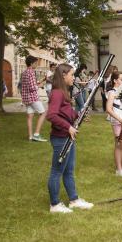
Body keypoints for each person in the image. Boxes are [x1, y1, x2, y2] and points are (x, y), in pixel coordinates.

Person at [46, 63, 94, 213]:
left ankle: (73, 200)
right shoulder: (57, 93)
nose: (74, 77)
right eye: (72, 75)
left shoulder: (63, 92)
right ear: (63, 75)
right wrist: (68, 127)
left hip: (68, 137)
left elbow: (66, 113)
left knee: (69, 171)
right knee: (56, 171)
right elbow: (51, 115)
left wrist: (79, 116)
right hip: (61, 138)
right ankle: (54, 204)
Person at [105, 71, 122, 177]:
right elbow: (108, 109)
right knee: (119, 145)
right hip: (118, 121)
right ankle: (119, 169)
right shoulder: (112, 92)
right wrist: (120, 120)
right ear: (115, 81)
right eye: (121, 79)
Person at [21, 56, 48, 142]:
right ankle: (36, 134)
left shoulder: (25, 72)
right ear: (31, 63)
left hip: (26, 98)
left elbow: (29, 84)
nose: (37, 64)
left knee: (30, 116)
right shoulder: (31, 72)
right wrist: (41, 85)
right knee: (43, 113)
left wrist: (41, 81)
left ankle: (30, 137)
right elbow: (32, 88)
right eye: (36, 63)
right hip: (33, 98)